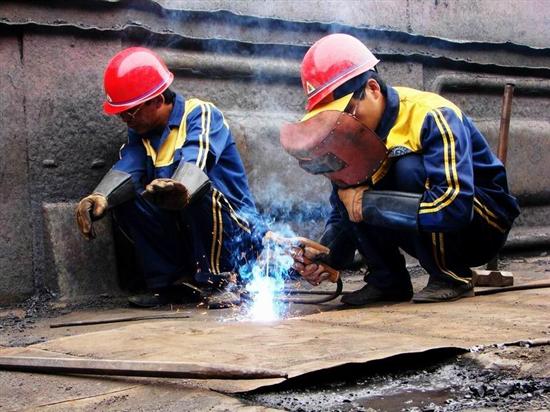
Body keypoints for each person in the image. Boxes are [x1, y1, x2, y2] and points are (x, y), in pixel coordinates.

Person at [281, 33, 520, 305]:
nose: (340, 124)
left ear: (372, 89)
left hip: (481, 222)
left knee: (407, 169)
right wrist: (328, 256)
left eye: (345, 112)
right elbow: (345, 206)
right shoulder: (352, 137)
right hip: (433, 216)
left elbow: (454, 206)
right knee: (352, 183)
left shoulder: (432, 114)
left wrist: (368, 204)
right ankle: (387, 281)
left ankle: (451, 277)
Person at [76, 47, 265, 308]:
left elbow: (197, 159)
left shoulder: (201, 113)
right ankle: (172, 283)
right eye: (121, 113)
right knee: (126, 197)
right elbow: (129, 167)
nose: (124, 119)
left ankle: (224, 280)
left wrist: (181, 188)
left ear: (157, 100)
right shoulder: (141, 135)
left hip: (237, 234)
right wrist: (101, 196)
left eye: (130, 112)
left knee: (198, 190)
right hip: (189, 234)